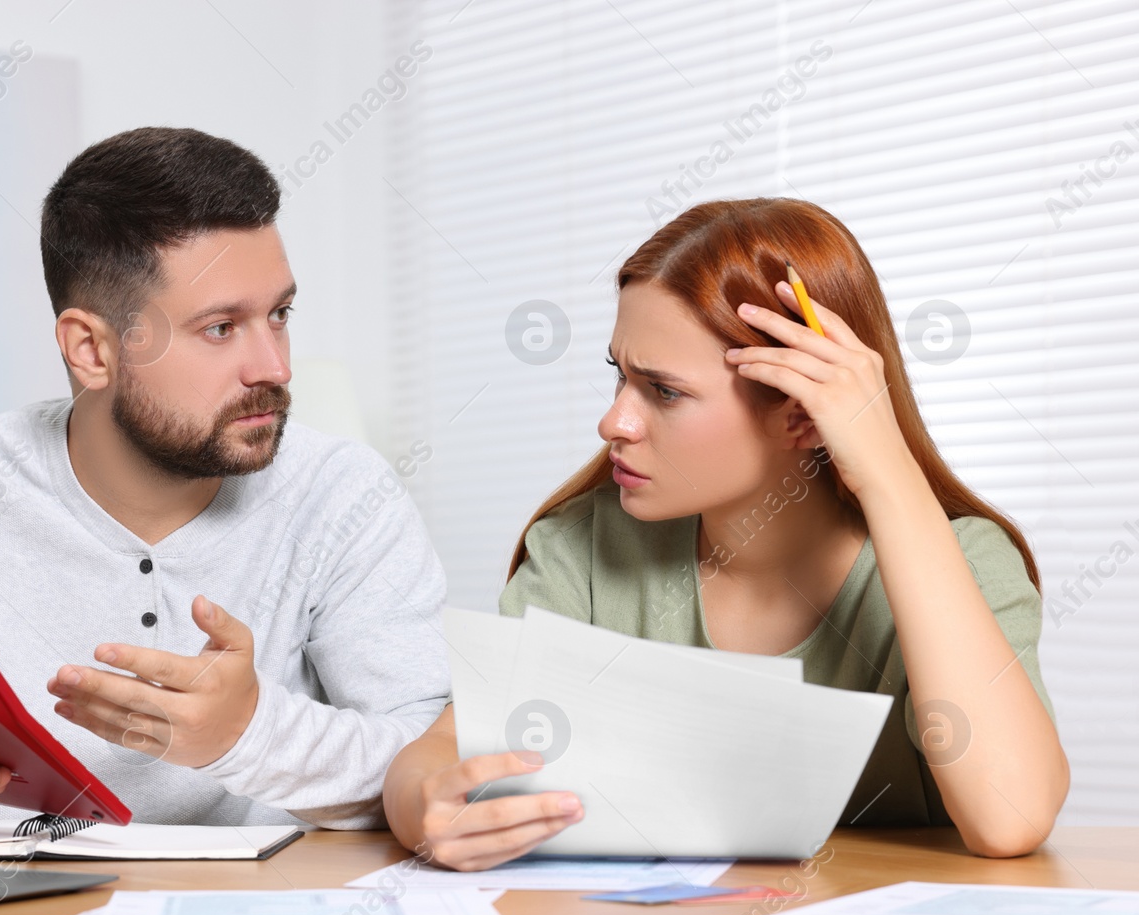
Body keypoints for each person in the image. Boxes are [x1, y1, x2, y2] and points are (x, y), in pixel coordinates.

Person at [384, 197, 1068, 870]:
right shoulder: (584, 552)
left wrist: (888, 472)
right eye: (619, 376)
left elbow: (1010, 816)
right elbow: (442, 750)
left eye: (664, 391)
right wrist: (425, 805)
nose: (614, 423)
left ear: (803, 415)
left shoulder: (966, 560)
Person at [0, 127, 449, 836]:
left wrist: (247, 732)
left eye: (280, 314)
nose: (274, 365)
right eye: (220, 328)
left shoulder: (344, 494)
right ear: (91, 349)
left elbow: (435, 758)